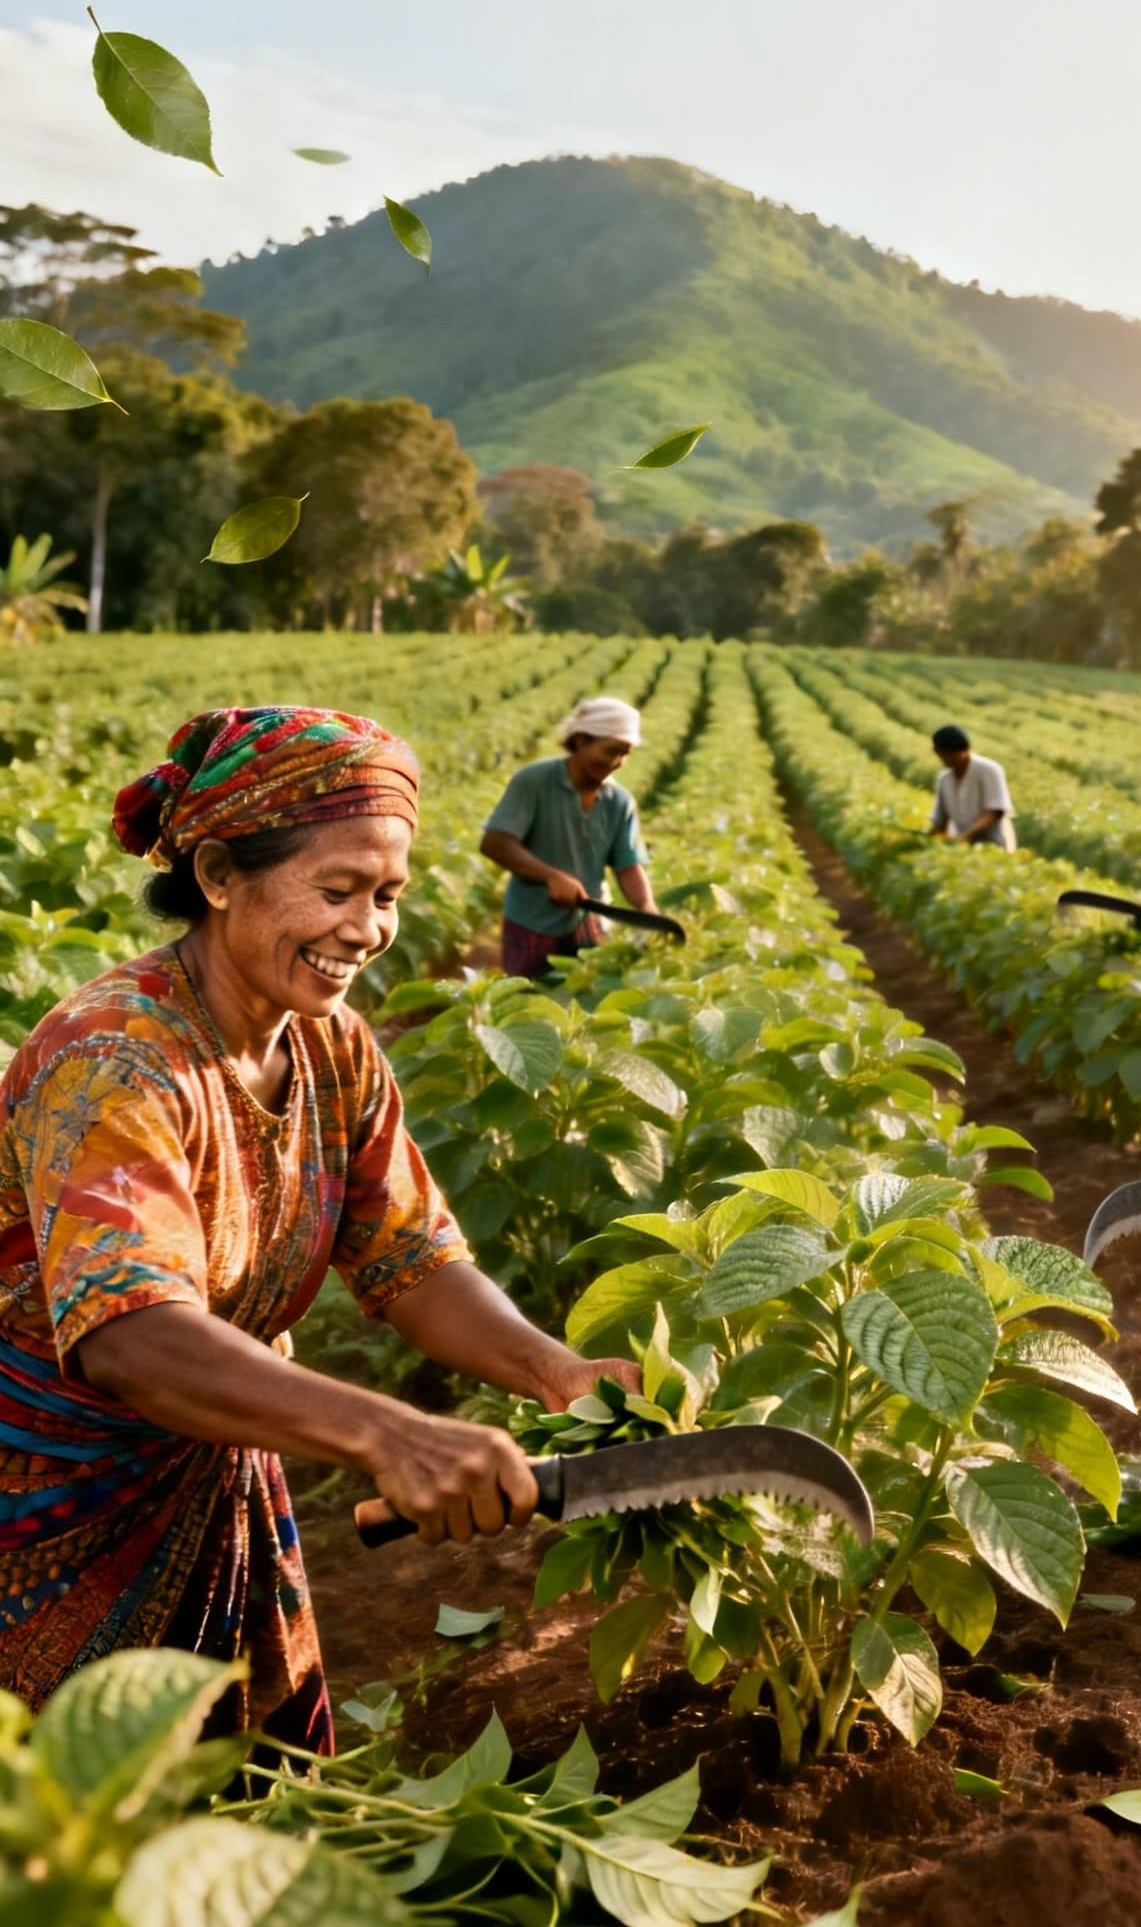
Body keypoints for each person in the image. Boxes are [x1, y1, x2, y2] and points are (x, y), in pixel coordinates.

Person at [0, 706, 639, 1749]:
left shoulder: (328, 1044)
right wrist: (391, 1432)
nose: (368, 928)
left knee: (226, 1801)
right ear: (218, 875)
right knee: (64, 1816)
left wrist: (554, 1370)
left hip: (213, 1461)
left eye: (388, 895)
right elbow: (133, 1336)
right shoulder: (116, 1060)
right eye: (336, 890)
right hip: (45, 1513)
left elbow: (413, 1257)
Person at [481, 696, 658, 978]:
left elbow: (628, 865)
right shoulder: (534, 781)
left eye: (624, 754)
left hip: (592, 925)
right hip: (532, 922)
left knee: (588, 998)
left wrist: (646, 907)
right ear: (581, 740)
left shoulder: (619, 801)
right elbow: (496, 843)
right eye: (611, 751)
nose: (617, 762)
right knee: (526, 999)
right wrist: (551, 876)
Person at [928, 724, 1017, 850]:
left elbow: (995, 812)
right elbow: (940, 821)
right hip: (962, 848)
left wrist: (965, 837)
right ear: (937, 752)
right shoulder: (945, 779)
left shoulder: (989, 770)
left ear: (967, 750)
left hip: (994, 846)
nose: (950, 758)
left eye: (956, 754)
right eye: (945, 754)